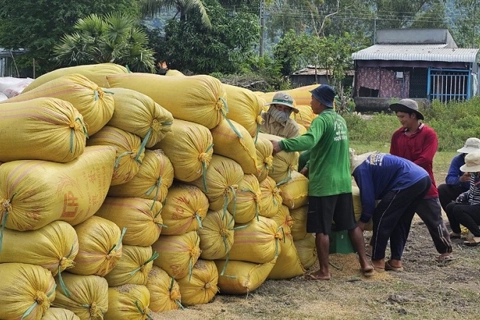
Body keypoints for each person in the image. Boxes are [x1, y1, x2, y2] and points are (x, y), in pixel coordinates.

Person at [270, 85, 373, 280]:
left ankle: (324, 271)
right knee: (351, 225)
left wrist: (282, 144)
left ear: (320, 101)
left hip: (324, 184)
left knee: (322, 229)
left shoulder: (321, 121)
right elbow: (328, 147)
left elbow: (309, 141)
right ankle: (365, 263)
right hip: (342, 182)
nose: (310, 103)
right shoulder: (340, 121)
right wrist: (308, 164)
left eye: (313, 100)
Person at [389, 99, 453, 263]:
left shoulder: (429, 134)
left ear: (413, 115)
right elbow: (393, 159)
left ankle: (445, 251)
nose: (401, 120)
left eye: (403, 116)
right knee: (400, 221)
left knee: (434, 219)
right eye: (398, 117)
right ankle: (396, 257)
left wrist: (404, 170)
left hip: (424, 184)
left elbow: (425, 159)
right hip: (403, 184)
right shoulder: (397, 135)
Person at [351, 151, 431, 271]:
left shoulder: (360, 169)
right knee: (402, 220)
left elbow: (368, 200)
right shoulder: (368, 160)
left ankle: (378, 261)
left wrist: (363, 221)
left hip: (407, 180)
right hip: (423, 178)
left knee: (381, 216)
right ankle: (395, 261)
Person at [445, 151, 480, 246]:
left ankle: (478, 234)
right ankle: (456, 232)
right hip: (474, 203)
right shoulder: (474, 175)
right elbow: (472, 191)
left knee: (458, 209)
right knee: (450, 206)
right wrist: (463, 195)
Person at [438, 137, 480, 216]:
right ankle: (453, 217)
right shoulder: (458, 160)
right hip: (463, 189)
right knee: (442, 189)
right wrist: (460, 179)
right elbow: (449, 178)